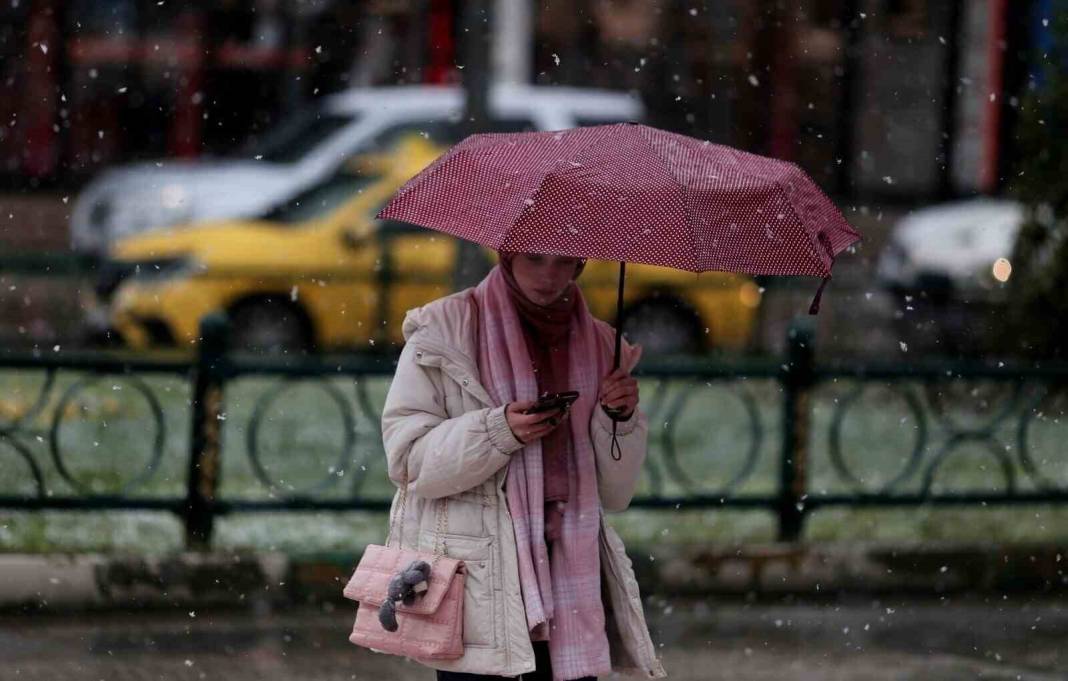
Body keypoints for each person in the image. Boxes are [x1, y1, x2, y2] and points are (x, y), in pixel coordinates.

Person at [380, 251, 667, 681]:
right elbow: (409, 460)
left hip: (571, 574)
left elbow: (616, 493)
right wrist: (499, 432)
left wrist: (618, 420)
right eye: (535, 259)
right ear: (507, 255)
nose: (549, 275)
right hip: (479, 572)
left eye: (564, 261)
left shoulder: (605, 348)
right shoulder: (445, 331)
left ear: (581, 266)